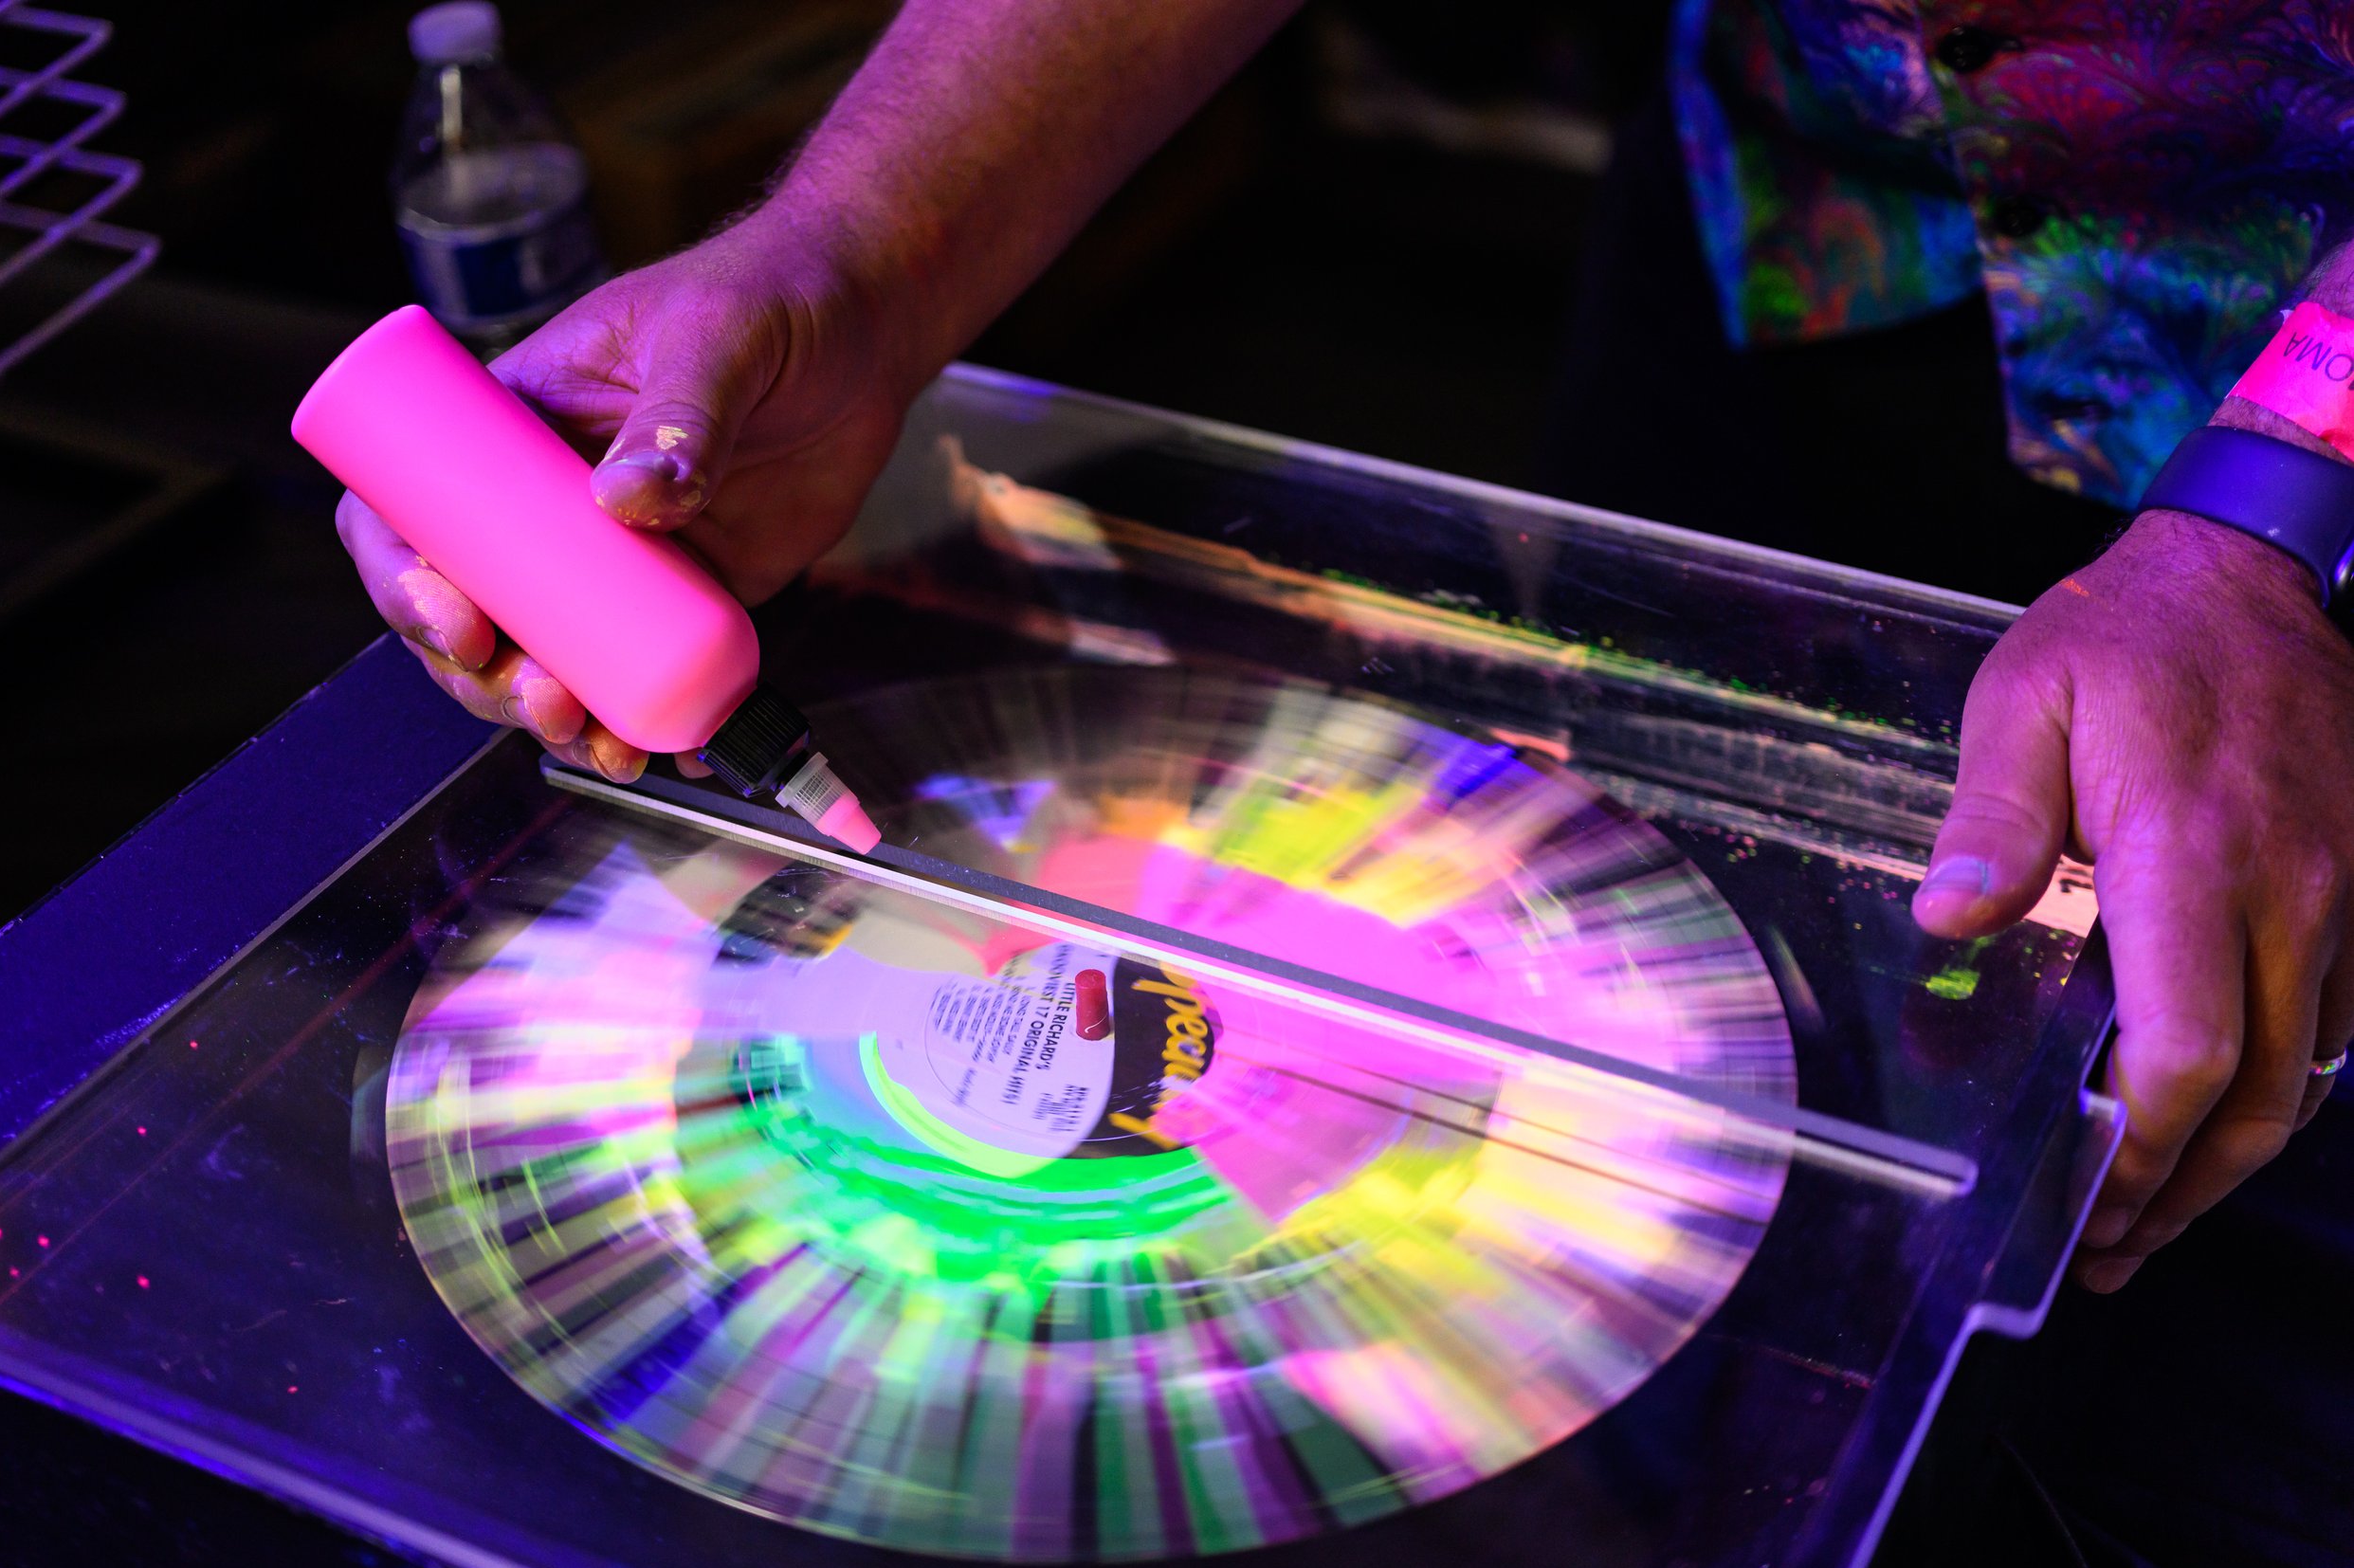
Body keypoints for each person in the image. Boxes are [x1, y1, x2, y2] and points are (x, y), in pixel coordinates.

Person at [337, 0, 2354, 1316]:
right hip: (1807, 236)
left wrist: (2283, 512)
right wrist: (852, 261)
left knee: (2217, 1236)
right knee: (1647, 1085)